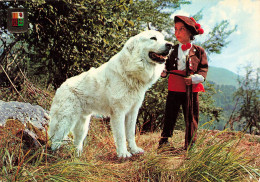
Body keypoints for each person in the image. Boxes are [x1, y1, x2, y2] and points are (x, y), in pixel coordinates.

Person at [159, 15, 208, 150]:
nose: (177, 32)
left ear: (190, 32)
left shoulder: (199, 51)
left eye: (181, 29)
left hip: (190, 88)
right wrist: (163, 71)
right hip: (174, 86)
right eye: (176, 29)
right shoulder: (172, 50)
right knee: (170, 114)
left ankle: (190, 144)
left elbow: (203, 69)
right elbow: (165, 65)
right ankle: (164, 142)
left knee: (191, 116)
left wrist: (196, 78)